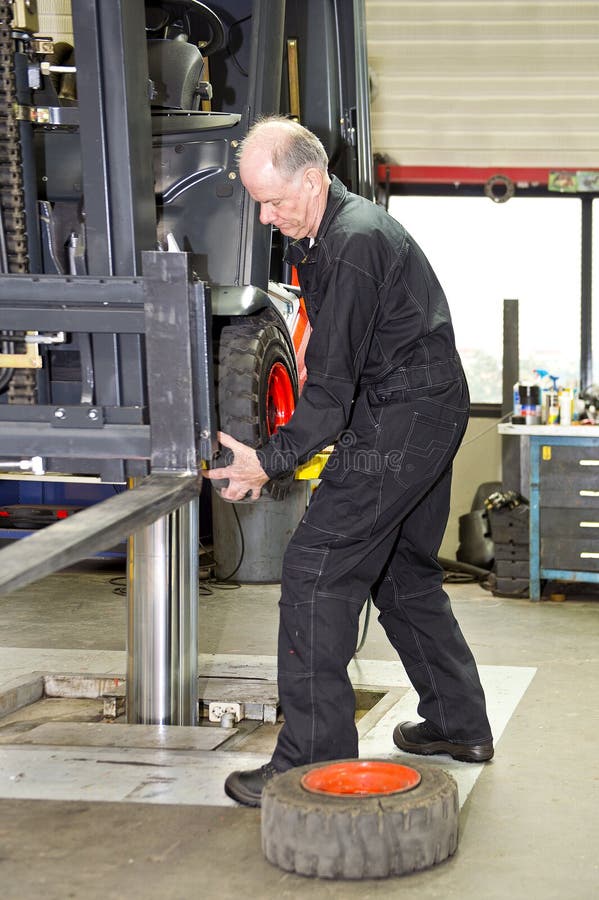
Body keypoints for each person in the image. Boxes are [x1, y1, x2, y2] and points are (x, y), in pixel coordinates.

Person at [204, 116, 493, 807]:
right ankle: (458, 723)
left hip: (400, 415)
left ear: (311, 179)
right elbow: (330, 357)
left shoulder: (353, 242)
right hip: (428, 405)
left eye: (275, 201)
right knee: (401, 572)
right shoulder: (329, 231)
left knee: (314, 571)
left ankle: (308, 759)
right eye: (258, 205)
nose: (268, 218)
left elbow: (330, 390)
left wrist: (267, 462)